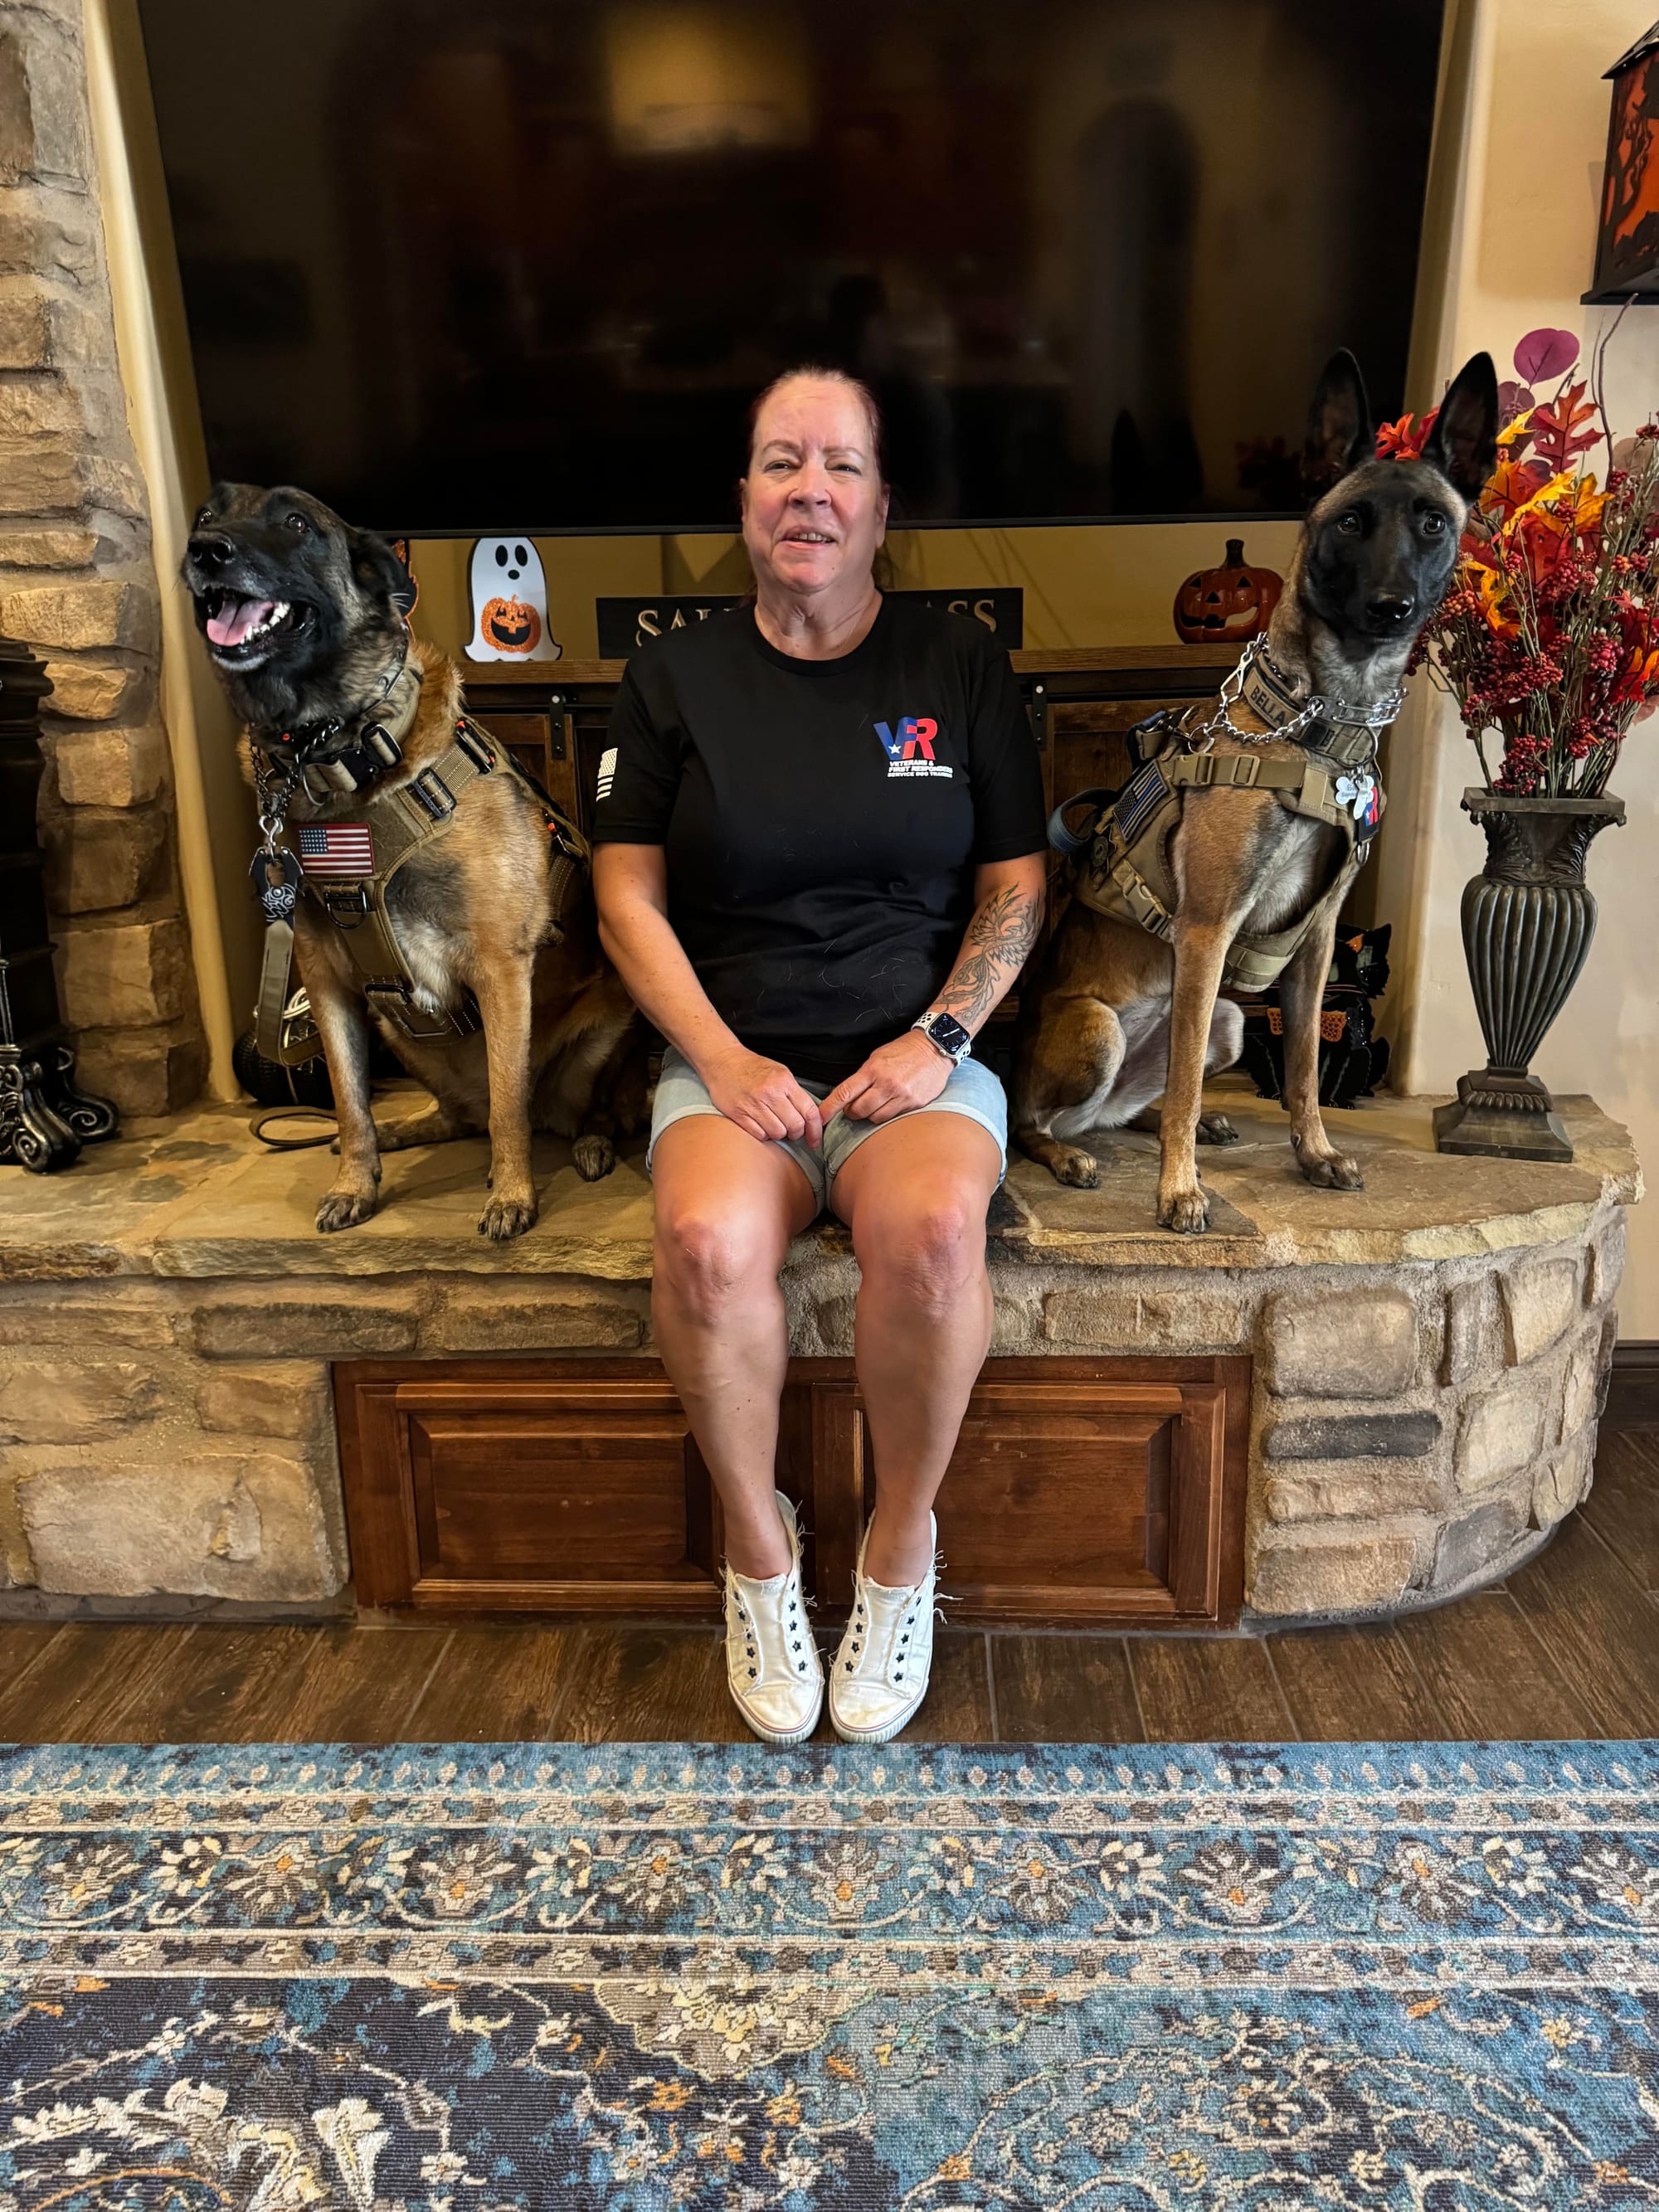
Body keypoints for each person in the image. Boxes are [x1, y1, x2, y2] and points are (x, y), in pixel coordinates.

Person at [592, 367, 1047, 1746]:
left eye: (841, 466)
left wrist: (940, 1037)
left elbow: (1016, 886)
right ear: (743, 499)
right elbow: (624, 898)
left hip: (915, 1064)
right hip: (736, 1064)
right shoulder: (670, 679)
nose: (811, 492)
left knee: (935, 1234)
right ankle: (760, 1551)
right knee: (705, 1245)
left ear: (881, 507)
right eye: (782, 462)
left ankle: (901, 1553)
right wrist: (724, 1061)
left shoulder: (958, 665)